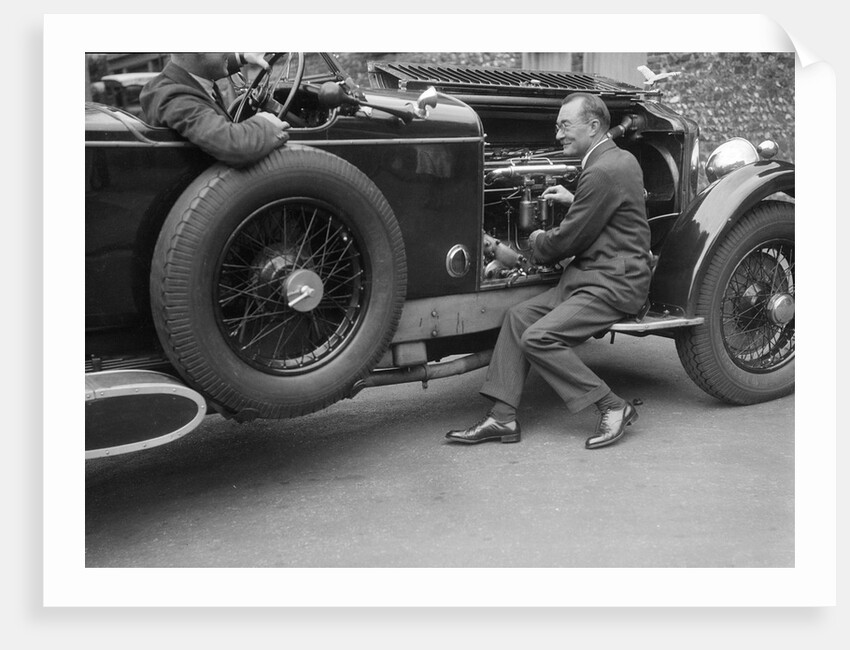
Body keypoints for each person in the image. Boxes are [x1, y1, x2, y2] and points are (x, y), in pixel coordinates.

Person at [445, 92, 652, 450]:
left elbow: (567, 241)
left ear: (593, 125)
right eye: (557, 127)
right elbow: (616, 207)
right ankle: (503, 417)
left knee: (539, 338)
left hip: (613, 282)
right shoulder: (620, 160)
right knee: (518, 317)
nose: (558, 135)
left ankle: (612, 406)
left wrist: (535, 240)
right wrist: (577, 202)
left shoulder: (601, 171)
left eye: (564, 126)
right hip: (591, 275)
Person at [140, 52, 290, 168]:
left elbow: (207, 62)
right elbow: (234, 145)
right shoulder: (174, 97)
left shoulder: (182, 79)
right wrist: (266, 123)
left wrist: (243, 57)